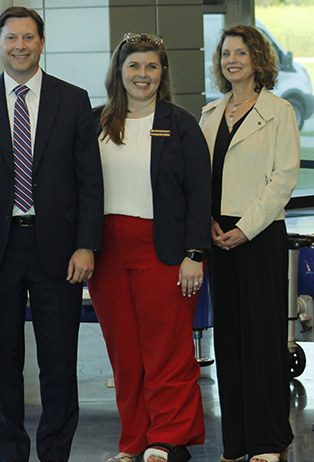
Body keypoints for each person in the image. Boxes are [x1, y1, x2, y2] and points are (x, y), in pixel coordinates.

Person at [0, 6, 103, 462]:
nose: (20, 46)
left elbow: (89, 179)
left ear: (42, 43)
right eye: (11, 38)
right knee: (0, 363)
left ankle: (55, 452)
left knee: (59, 361)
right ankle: (11, 453)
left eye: (29, 37)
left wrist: (86, 244)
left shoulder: (73, 99)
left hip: (58, 250)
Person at [89, 34, 209, 462]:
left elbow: (199, 193)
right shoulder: (94, 122)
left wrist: (195, 254)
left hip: (164, 250)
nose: (143, 75)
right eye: (134, 66)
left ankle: (168, 437)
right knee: (125, 355)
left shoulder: (180, 123)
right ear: (119, 71)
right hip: (107, 253)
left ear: (163, 73)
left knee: (167, 350)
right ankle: (134, 442)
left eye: (151, 67)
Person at [200, 24, 299, 462]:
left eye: (241, 52)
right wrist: (208, 222)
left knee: (261, 342)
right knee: (231, 343)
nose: (232, 60)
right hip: (217, 236)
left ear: (258, 59)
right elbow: (198, 178)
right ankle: (236, 442)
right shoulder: (209, 113)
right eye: (226, 54)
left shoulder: (279, 112)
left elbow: (283, 180)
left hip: (258, 236)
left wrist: (246, 228)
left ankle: (268, 442)